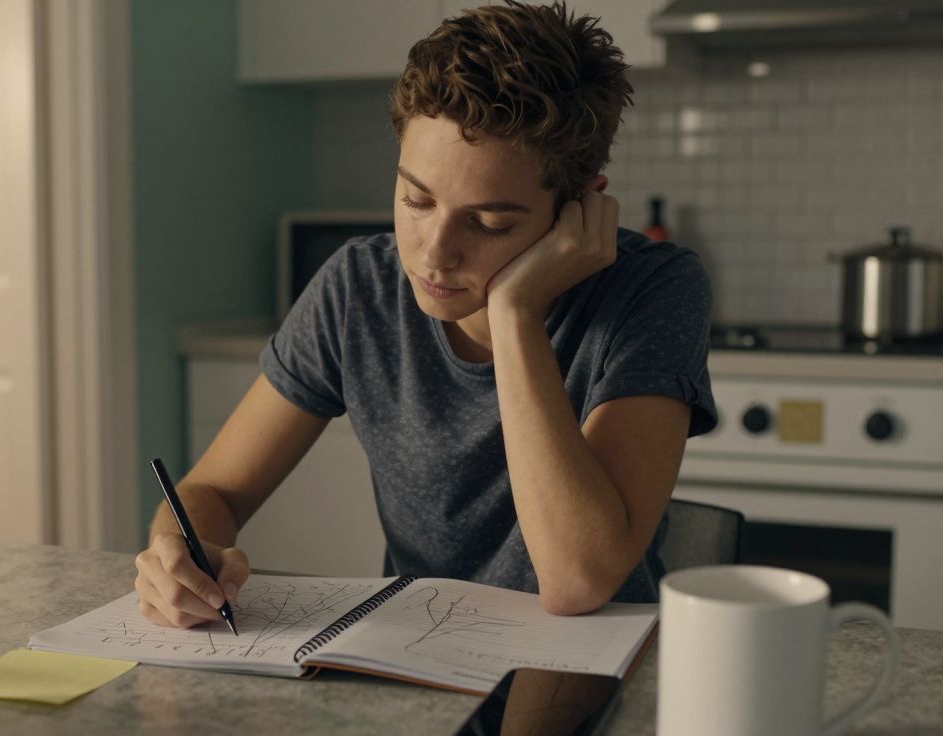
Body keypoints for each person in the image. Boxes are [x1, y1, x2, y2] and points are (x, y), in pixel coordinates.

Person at [134, 1, 717, 627]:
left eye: (490, 222)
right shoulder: (359, 287)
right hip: (419, 656)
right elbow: (213, 491)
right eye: (416, 199)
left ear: (577, 210)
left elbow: (578, 581)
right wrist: (179, 554)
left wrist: (515, 311)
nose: (433, 254)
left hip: (595, 669)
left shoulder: (654, 288)